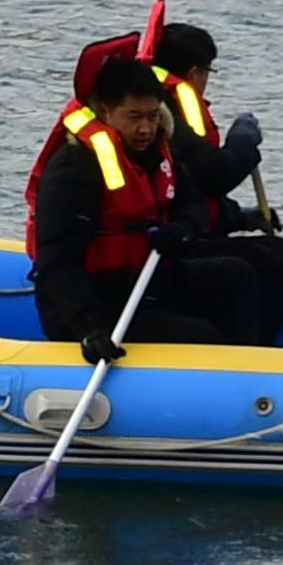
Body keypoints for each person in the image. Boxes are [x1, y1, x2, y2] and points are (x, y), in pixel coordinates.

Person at [25, 56, 264, 358]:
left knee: (238, 276)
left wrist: (183, 230)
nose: (146, 129)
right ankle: (226, 374)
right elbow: (57, 261)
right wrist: (89, 327)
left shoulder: (155, 152)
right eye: (134, 117)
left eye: (152, 116)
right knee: (204, 339)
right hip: (95, 305)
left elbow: (192, 204)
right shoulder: (74, 168)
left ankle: (253, 367)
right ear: (105, 111)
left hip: (141, 284)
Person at [135, 20, 283, 341]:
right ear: (194, 72)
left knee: (272, 256)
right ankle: (250, 349)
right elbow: (214, 174)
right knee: (278, 260)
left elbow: (190, 190)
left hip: (184, 234)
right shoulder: (162, 117)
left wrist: (239, 216)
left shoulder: (157, 109)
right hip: (168, 248)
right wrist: (243, 142)